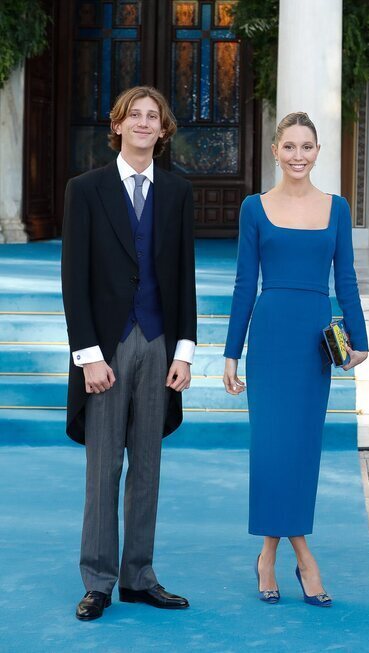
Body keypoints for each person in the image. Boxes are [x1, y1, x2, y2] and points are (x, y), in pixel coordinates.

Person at [223, 112, 369, 607]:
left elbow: (345, 277)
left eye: (307, 146)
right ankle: (303, 555)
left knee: (302, 450)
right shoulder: (254, 207)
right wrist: (230, 352)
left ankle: (268, 553)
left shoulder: (337, 208)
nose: (298, 155)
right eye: (289, 146)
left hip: (314, 339)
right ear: (275, 150)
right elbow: (245, 283)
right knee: (270, 448)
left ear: (318, 151)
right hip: (269, 336)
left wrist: (359, 337)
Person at [62, 86, 197, 621]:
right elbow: (74, 279)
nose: (143, 123)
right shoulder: (86, 190)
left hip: (158, 340)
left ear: (164, 131)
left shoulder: (177, 192)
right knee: (103, 468)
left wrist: (184, 351)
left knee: (147, 464)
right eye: (133, 115)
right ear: (116, 125)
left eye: (153, 117)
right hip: (107, 346)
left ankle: (139, 577)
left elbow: (183, 274)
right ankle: (98, 579)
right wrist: (88, 355)